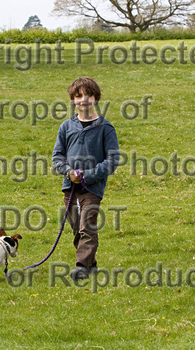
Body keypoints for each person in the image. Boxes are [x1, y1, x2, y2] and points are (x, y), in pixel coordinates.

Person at [52, 77, 120, 281]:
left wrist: (89, 176)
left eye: (88, 96)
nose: (83, 100)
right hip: (69, 186)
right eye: (78, 96)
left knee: (87, 225)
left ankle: (81, 265)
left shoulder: (105, 128)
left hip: (92, 188)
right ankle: (90, 263)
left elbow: (112, 160)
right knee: (75, 226)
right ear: (73, 100)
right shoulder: (66, 127)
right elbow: (57, 155)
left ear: (96, 98)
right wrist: (68, 172)